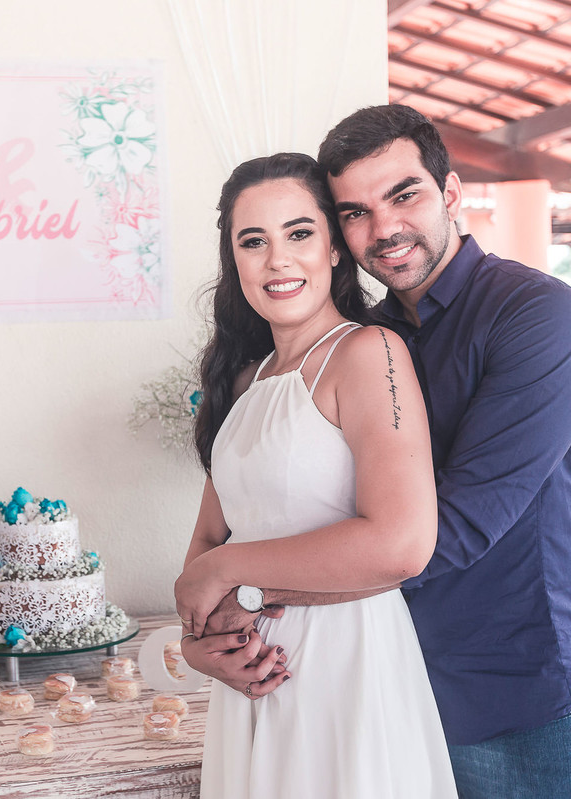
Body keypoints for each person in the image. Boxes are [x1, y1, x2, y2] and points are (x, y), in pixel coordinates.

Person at [178, 105, 571, 799]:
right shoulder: (363, 336)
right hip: (387, 673)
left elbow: (443, 534)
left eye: (403, 195)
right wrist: (217, 623)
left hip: (513, 688)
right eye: (355, 211)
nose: (382, 229)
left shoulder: (537, 315)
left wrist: (240, 590)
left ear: (451, 193)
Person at [174, 152, 457, 797]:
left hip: (346, 667)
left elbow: (402, 544)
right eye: (254, 242)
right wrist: (199, 644)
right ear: (235, 262)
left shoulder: (368, 353)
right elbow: (204, 550)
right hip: (250, 679)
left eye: (299, 233)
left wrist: (227, 571)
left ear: (333, 248)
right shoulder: (245, 381)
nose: (278, 260)